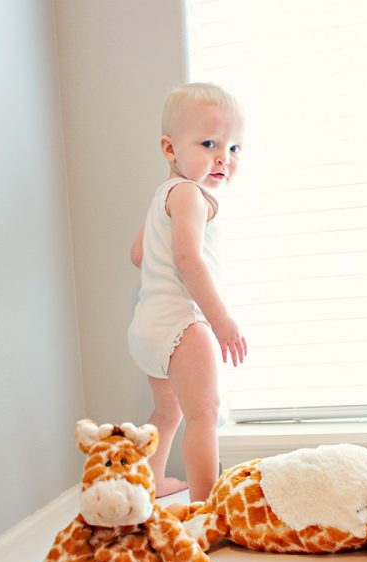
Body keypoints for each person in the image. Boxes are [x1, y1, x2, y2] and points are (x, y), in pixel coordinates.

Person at [127, 82, 247, 501]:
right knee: (203, 415)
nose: (223, 157)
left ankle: (149, 484)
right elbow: (189, 260)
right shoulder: (192, 196)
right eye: (209, 144)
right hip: (183, 325)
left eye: (234, 148)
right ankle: (206, 505)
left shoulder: (163, 195)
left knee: (167, 412)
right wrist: (221, 320)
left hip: (148, 326)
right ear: (170, 148)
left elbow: (138, 255)